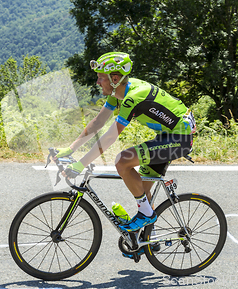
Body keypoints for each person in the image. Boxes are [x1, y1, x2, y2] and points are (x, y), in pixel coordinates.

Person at [56, 52, 196, 233]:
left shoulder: (133, 98)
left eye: (100, 78)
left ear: (114, 78)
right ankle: (147, 240)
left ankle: (146, 215)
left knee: (122, 161)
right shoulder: (118, 90)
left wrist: (80, 164)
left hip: (179, 140)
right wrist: (70, 149)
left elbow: (110, 137)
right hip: (167, 136)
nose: (97, 82)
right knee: (142, 190)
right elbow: (98, 123)